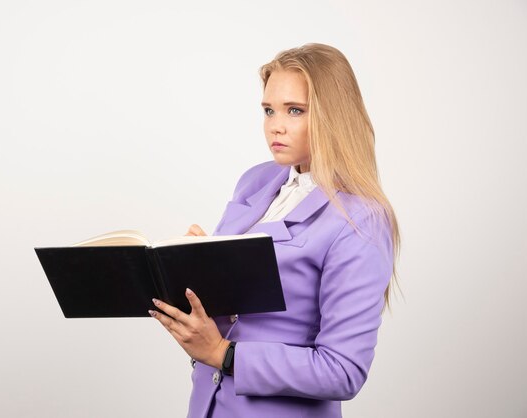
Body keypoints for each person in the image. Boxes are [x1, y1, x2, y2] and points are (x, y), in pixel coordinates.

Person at [147, 43, 401, 418]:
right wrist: (197, 265)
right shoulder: (256, 181)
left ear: (334, 116)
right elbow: (239, 312)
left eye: (294, 110)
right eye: (268, 110)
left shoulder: (362, 219)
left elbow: (343, 372)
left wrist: (223, 354)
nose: (275, 126)